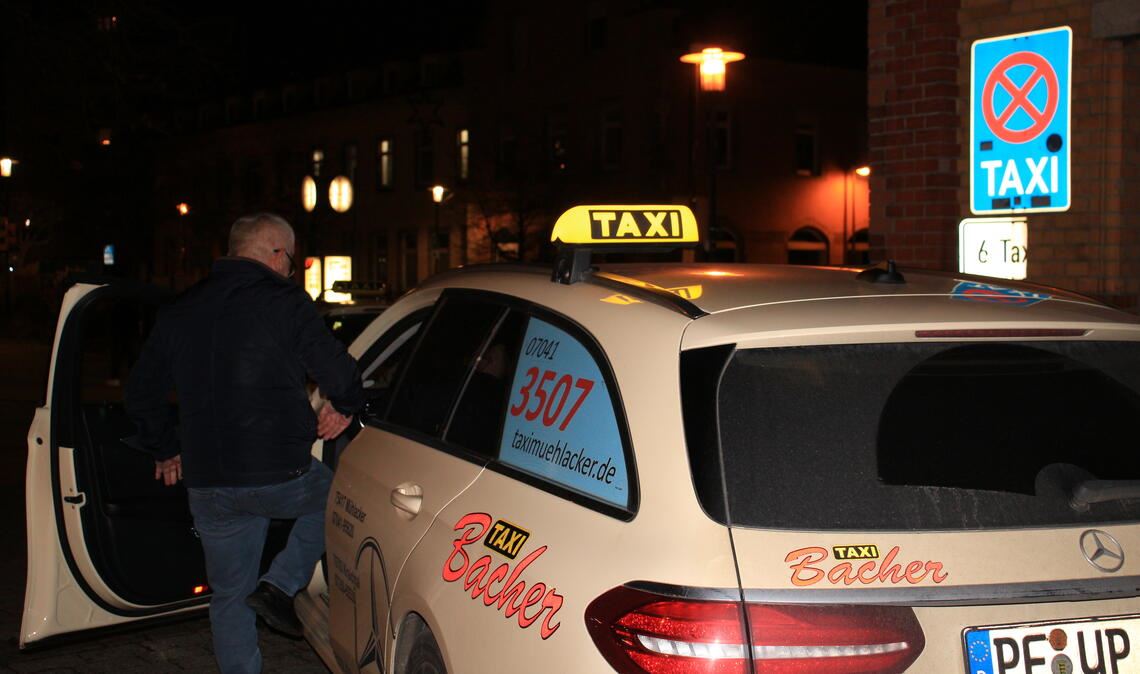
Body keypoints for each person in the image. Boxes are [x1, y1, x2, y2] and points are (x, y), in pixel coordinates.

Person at [125, 213, 363, 674]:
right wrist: (346, 404)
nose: (291, 271)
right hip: (280, 473)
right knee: (337, 498)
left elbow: (140, 391)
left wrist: (164, 447)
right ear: (277, 253)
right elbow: (338, 371)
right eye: (292, 262)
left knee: (229, 597)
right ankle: (280, 585)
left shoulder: (179, 309)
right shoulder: (285, 301)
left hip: (208, 481)